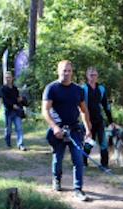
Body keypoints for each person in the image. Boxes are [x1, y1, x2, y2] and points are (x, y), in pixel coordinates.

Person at [42, 60, 93, 201]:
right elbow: (45, 110)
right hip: (58, 131)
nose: (67, 73)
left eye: (69, 71)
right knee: (58, 158)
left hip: (74, 130)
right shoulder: (51, 88)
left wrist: (88, 128)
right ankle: (57, 179)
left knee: (78, 159)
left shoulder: (78, 90)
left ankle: (78, 189)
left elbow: (83, 110)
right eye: (64, 70)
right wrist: (54, 127)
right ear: (58, 71)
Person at [81, 67, 116, 169]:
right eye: (91, 75)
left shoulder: (101, 89)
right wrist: (86, 121)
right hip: (88, 120)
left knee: (103, 143)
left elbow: (106, 106)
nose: (93, 77)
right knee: (88, 143)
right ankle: (83, 162)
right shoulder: (83, 89)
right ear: (87, 76)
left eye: (95, 75)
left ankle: (104, 164)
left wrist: (111, 121)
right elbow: (80, 106)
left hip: (99, 120)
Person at [0, 71, 26, 151]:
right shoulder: (3, 89)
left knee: (19, 128)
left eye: (9, 77)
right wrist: (12, 105)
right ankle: (8, 143)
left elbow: (19, 98)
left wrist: (20, 100)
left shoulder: (15, 89)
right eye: (7, 77)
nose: (8, 79)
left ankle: (20, 144)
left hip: (16, 112)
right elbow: (4, 100)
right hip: (8, 112)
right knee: (8, 129)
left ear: (12, 78)